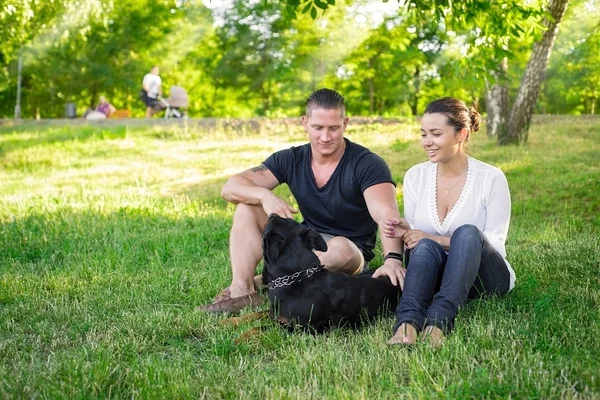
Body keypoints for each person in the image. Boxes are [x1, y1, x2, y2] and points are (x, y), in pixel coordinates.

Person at [198, 88, 405, 313]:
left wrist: (393, 258)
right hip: (304, 243)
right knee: (247, 207)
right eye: (318, 128)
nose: (325, 137)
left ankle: (269, 280)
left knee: (340, 249)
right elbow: (231, 188)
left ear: (345, 123)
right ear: (305, 123)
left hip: (349, 252)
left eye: (333, 128)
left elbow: (387, 214)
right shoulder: (292, 158)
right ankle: (242, 289)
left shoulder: (368, 164)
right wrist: (264, 195)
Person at [384, 97, 516, 347]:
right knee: (423, 247)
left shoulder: (491, 177)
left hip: (483, 278)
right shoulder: (416, 176)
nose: (427, 142)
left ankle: (439, 321)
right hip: (436, 275)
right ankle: (407, 324)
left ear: (461, 134)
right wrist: (407, 232)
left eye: (436, 134)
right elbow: (419, 241)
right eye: (423, 134)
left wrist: (433, 238)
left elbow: (496, 245)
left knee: (467, 233)